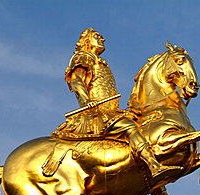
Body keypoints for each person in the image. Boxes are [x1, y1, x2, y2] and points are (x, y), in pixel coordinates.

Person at [52, 28, 180, 182]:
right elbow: (77, 81)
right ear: (86, 41)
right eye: (97, 36)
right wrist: (87, 102)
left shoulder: (99, 62)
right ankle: (154, 166)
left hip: (110, 112)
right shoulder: (84, 57)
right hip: (96, 115)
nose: (102, 39)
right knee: (130, 127)